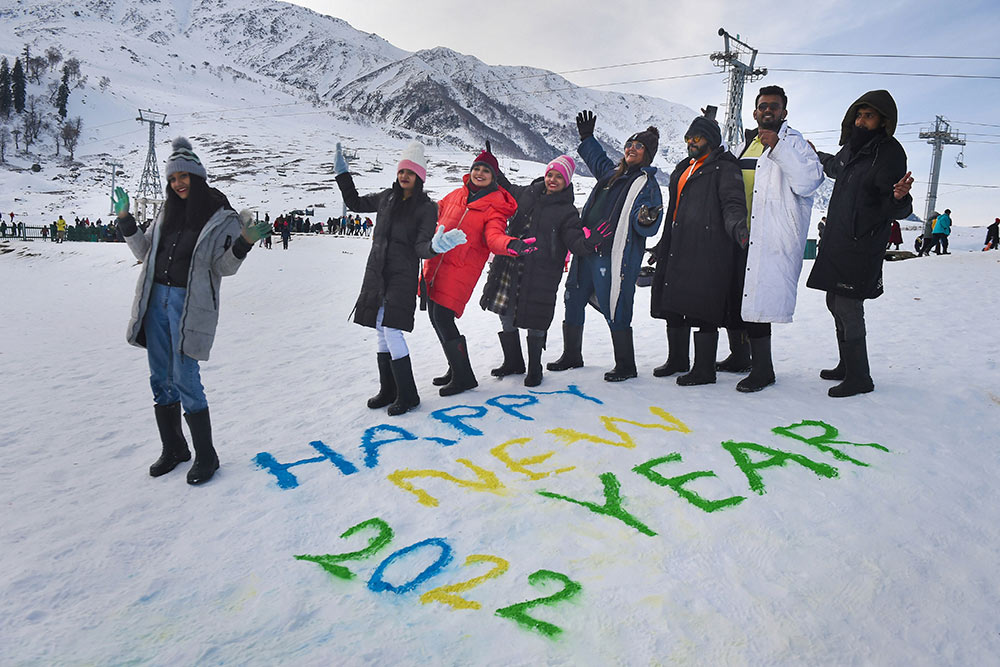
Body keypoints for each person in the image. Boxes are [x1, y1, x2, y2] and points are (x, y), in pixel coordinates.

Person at [114, 137, 271, 484]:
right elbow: (144, 251)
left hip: (189, 305)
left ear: (198, 177)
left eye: (184, 176)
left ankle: (207, 455)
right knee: (159, 377)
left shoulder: (221, 217)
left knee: (185, 377)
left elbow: (223, 267)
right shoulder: (166, 212)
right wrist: (126, 219)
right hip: (155, 301)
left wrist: (244, 242)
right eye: (172, 178)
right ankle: (174, 449)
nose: (178, 183)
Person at [806, 90, 914, 397]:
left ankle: (860, 376)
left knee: (848, 304)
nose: (861, 120)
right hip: (839, 238)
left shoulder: (889, 152)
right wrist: (816, 155)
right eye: (859, 115)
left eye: (868, 116)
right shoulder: (853, 148)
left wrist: (899, 197)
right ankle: (846, 365)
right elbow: (834, 168)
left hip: (863, 242)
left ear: (883, 121)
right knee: (833, 301)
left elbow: (897, 205)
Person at [720, 85, 825, 392]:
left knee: (758, 303)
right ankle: (739, 357)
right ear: (755, 112)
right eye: (763, 106)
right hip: (738, 233)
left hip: (769, 235)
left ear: (784, 113)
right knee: (734, 297)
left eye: (774, 107)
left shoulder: (796, 144)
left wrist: (778, 147)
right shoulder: (744, 145)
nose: (768, 110)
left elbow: (809, 182)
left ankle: (763, 369)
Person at [548, 111, 664, 382]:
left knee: (617, 304)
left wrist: (644, 219)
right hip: (587, 250)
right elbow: (597, 159)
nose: (631, 149)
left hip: (615, 256)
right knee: (573, 297)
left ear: (647, 154)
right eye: (629, 145)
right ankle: (572, 354)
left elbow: (650, 222)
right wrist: (587, 138)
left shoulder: (646, 184)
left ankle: (625, 364)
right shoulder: (612, 174)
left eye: (638, 146)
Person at [334, 141, 438, 415]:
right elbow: (354, 203)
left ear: (420, 177)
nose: (405, 176)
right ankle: (389, 389)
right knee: (381, 329)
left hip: (402, 275)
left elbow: (421, 247)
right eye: (402, 170)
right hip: (377, 272)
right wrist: (343, 175)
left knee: (392, 328)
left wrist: (438, 246)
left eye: (411, 173)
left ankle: (408, 394)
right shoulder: (386, 198)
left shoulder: (426, 208)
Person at [649, 113, 748, 386]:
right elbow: (674, 211)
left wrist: (738, 227)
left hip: (708, 248)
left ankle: (704, 369)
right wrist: (662, 244)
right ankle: (678, 360)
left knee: (705, 308)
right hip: (678, 245)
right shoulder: (684, 168)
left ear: (712, 141)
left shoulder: (724, 167)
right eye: (688, 138)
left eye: (698, 137)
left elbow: (733, 202)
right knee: (672, 304)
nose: (691, 142)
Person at [481, 153, 595, 387]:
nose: (553, 180)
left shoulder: (568, 211)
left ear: (567, 181)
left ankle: (535, 368)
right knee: (506, 310)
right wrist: (492, 165)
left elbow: (575, 242)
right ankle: (513, 361)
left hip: (542, 271)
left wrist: (590, 242)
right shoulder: (527, 193)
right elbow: (506, 186)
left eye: (559, 177)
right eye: (550, 174)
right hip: (511, 262)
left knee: (537, 318)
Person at [421, 147, 518, 397]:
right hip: (436, 264)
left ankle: (464, 376)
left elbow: (494, 236)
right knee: (435, 316)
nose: (479, 173)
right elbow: (431, 216)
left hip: (460, 270)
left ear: (494, 177)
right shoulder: (455, 195)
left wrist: (509, 244)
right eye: (476, 168)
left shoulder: (494, 207)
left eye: (486, 170)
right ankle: (456, 368)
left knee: (443, 317)